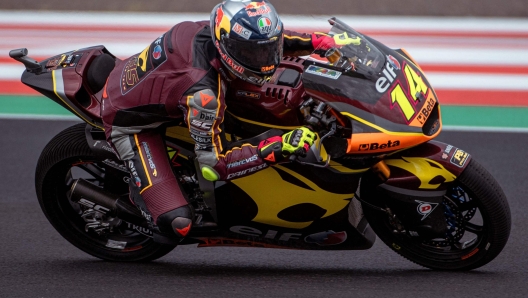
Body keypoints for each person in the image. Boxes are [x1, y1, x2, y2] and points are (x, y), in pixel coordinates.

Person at [101, 0, 336, 241]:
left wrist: (318, 42)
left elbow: (264, 40)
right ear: (226, 45)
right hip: (130, 124)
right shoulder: (204, 97)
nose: (264, 60)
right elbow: (214, 167)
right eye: (251, 54)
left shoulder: (214, 32)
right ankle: (140, 198)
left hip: (155, 87)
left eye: (266, 50)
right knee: (177, 225)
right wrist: (278, 147)